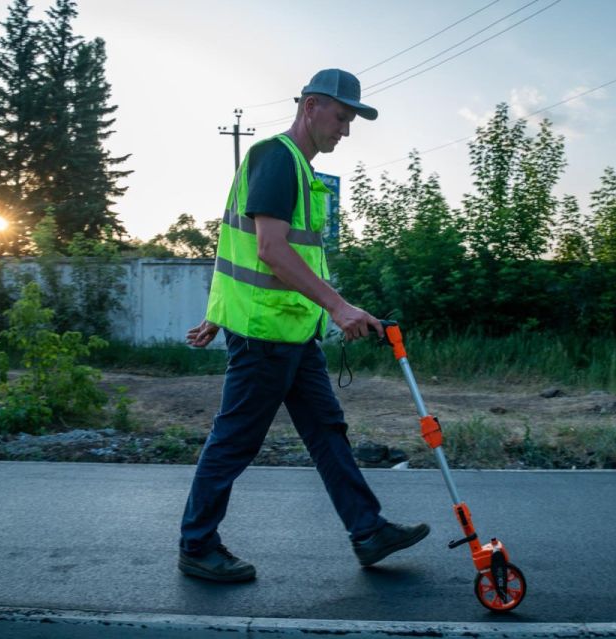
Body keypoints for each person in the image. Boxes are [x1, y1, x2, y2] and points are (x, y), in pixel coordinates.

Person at [177, 69, 429, 582]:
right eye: (341, 117)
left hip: (294, 335)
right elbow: (269, 251)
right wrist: (339, 309)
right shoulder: (276, 158)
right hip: (265, 337)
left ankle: (368, 530)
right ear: (311, 106)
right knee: (234, 442)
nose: (347, 130)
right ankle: (197, 545)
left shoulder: (302, 174)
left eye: (351, 120)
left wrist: (217, 315)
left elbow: (245, 252)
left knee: (328, 433)